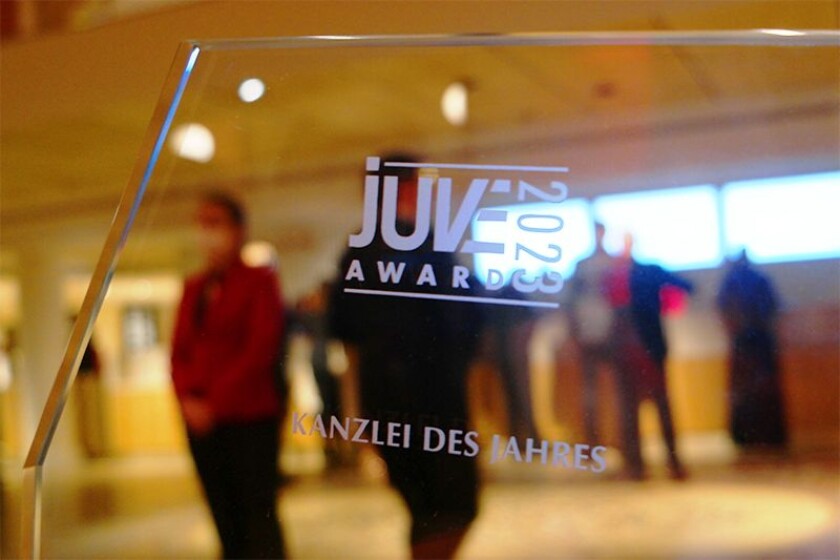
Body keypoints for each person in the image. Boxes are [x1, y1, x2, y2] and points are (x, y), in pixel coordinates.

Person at [329, 153, 483, 559]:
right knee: (448, 506)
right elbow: (459, 317)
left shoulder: (365, 248)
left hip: (396, 396)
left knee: (431, 508)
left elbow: (345, 329)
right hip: (425, 398)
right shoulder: (407, 246)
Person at [170, 192, 287, 559]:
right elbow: (179, 352)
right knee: (223, 513)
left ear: (238, 230)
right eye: (202, 224)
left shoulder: (259, 281)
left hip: (249, 417)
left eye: (215, 223)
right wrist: (188, 399)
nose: (207, 233)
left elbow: (259, 349)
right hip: (203, 423)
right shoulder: (194, 287)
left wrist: (214, 403)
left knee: (257, 515)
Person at [604, 234, 692, 480]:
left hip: (645, 350)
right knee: (636, 410)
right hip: (632, 350)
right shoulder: (621, 274)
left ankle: (666, 464)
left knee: (652, 407)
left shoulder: (642, 272)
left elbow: (685, 287)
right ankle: (644, 466)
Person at [717, 251, 787, 449]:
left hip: (754, 343)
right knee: (749, 391)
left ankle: (758, 437)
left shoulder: (735, 282)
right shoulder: (746, 281)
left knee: (759, 390)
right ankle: (757, 437)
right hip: (751, 343)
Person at [566, 222, 615, 445]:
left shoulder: (612, 262)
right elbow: (571, 302)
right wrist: (574, 333)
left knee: (614, 389)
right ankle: (591, 441)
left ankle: (614, 438)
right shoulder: (583, 265)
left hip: (610, 332)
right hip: (587, 333)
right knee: (589, 391)